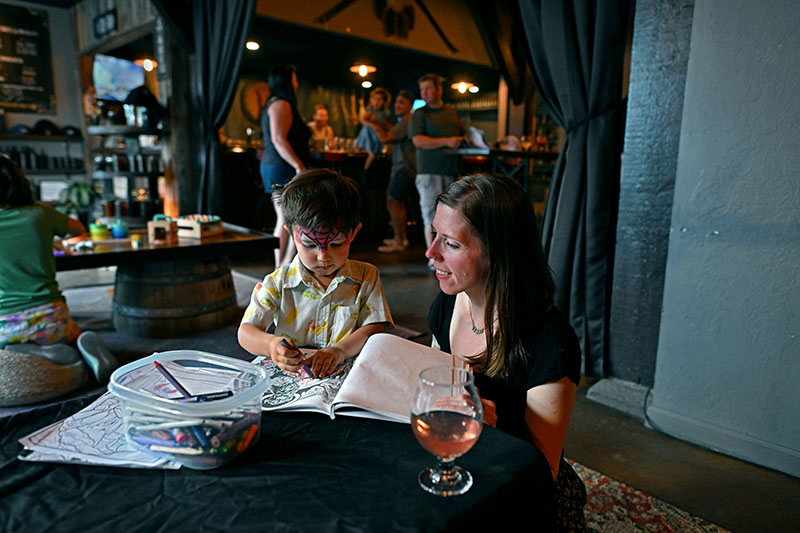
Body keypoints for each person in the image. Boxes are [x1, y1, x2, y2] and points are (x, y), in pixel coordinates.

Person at [425, 174, 586, 530]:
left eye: (450, 243)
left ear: (497, 250)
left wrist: (491, 434)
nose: (430, 252)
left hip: (518, 492)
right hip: (461, 463)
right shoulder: (446, 304)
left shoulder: (549, 341)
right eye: (434, 233)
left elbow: (543, 473)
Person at [238, 169, 393, 379]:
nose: (323, 257)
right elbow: (246, 332)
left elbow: (375, 328)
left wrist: (339, 351)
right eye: (310, 244)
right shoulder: (278, 283)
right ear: (292, 234)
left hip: (348, 381)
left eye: (336, 244)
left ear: (354, 233)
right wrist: (272, 345)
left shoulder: (366, 277)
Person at [0, 155, 85, 346]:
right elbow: (78, 230)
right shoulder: (40, 214)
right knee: (79, 339)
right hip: (52, 319)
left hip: (3, 328)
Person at [408, 73, 465, 266]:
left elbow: (460, 135)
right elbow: (418, 140)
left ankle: (448, 257)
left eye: (428, 88)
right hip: (428, 172)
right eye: (422, 89)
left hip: (450, 170)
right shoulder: (420, 114)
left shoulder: (451, 112)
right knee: (430, 216)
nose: (424, 93)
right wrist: (448, 141)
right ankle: (434, 260)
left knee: (452, 216)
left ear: (439, 90)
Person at [261, 64, 311, 267]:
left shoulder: (274, 103)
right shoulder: (281, 103)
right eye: (294, 78)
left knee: (288, 218)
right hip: (283, 167)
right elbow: (278, 139)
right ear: (287, 81)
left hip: (275, 165)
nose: (297, 82)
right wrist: (299, 166)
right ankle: (281, 268)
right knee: (290, 219)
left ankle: (282, 267)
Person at [360, 90, 417, 253]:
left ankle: (399, 240)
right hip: (403, 167)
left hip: (404, 167)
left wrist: (371, 124)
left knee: (392, 201)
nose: (397, 105)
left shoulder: (408, 121)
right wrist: (383, 124)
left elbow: (385, 138)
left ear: (410, 105)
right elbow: (392, 132)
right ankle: (401, 238)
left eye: (401, 102)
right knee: (396, 202)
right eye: (396, 102)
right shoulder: (404, 122)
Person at [355, 87, 391, 176]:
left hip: (376, 137)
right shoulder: (370, 111)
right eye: (374, 99)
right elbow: (363, 120)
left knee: (377, 155)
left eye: (379, 100)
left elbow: (385, 124)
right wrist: (374, 125)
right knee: (372, 155)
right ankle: (364, 174)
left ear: (384, 102)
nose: (376, 102)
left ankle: (371, 172)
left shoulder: (383, 113)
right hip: (368, 136)